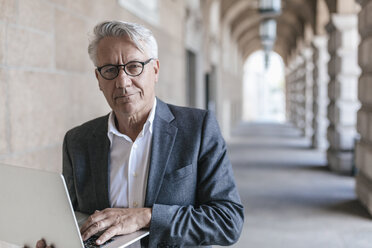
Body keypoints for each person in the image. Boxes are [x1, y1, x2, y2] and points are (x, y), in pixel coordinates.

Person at [37, 20, 243, 248]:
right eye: (110, 70)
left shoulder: (198, 128)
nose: (122, 82)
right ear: (98, 79)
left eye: (134, 66)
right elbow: (74, 224)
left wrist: (146, 217)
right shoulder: (77, 141)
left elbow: (227, 221)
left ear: (155, 70)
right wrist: (56, 240)